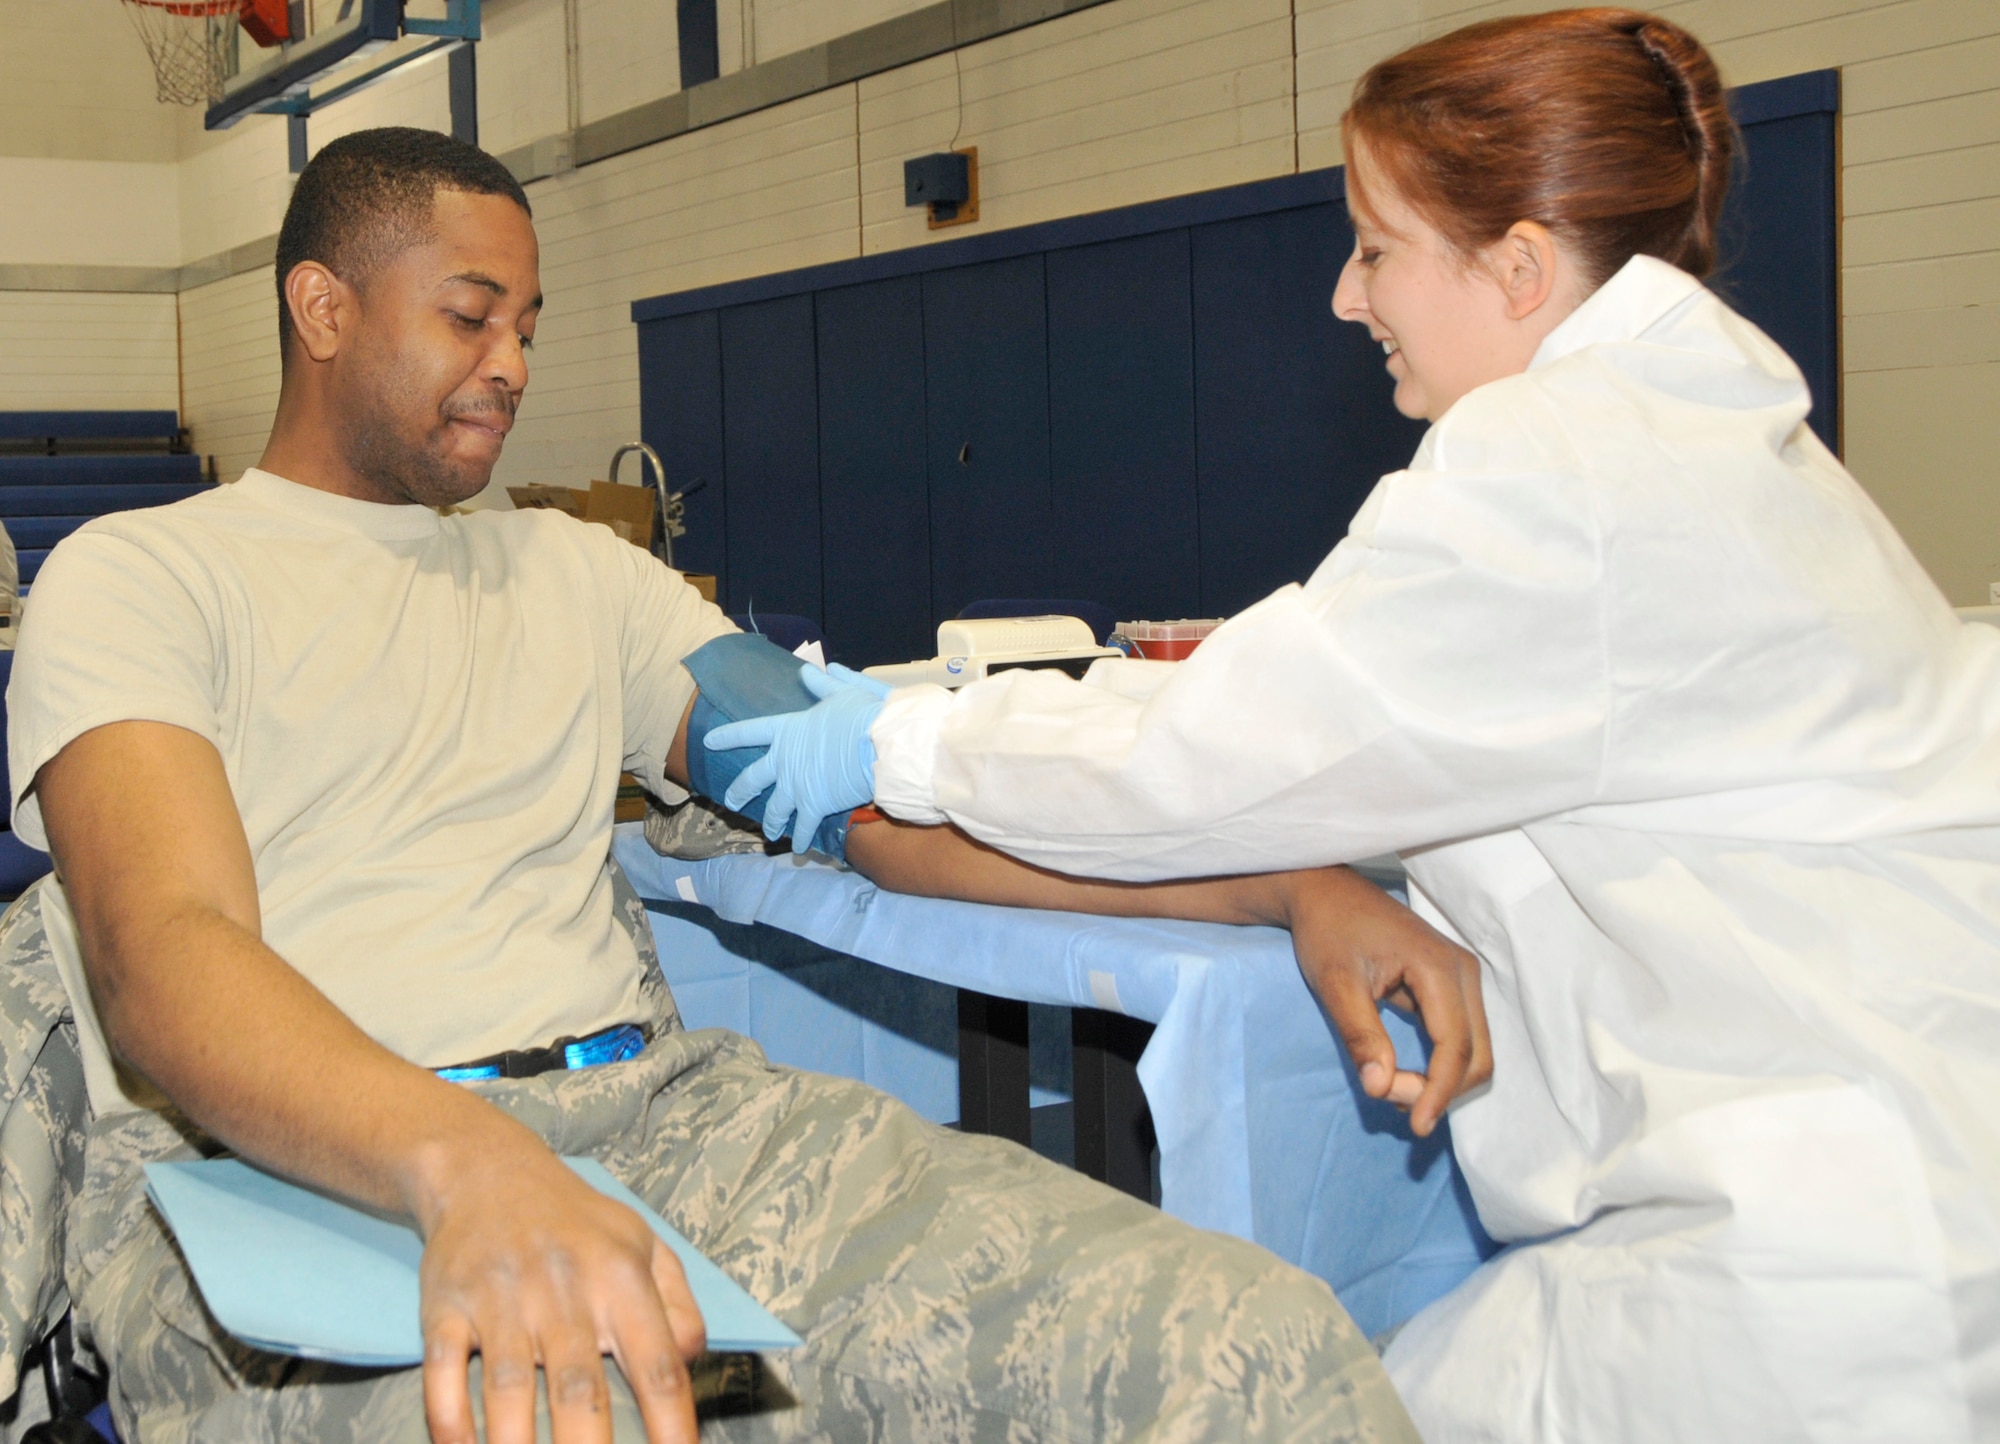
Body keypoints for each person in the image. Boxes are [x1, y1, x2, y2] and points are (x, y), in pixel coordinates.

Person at [4, 125, 1455, 1444]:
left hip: (661, 1127)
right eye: (467, 315)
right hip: (300, 1186)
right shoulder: (143, 581)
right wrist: (463, 1170)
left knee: (1238, 1349)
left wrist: (1283, 885)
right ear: (322, 310)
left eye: (526, 326)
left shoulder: (580, 576)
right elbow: (165, 954)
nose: (511, 361)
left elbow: (874, 799)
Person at [707, 9, 2000, 1441]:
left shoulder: (1558, 467)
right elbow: (1300, 692)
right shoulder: (1708, 444)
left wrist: (895, 748)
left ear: (1516, 267)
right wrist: (952, 721)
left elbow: (1204, 766)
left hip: (1822, 1260)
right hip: (1898, 1184)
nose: (1344, 294)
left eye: (1376, 246)